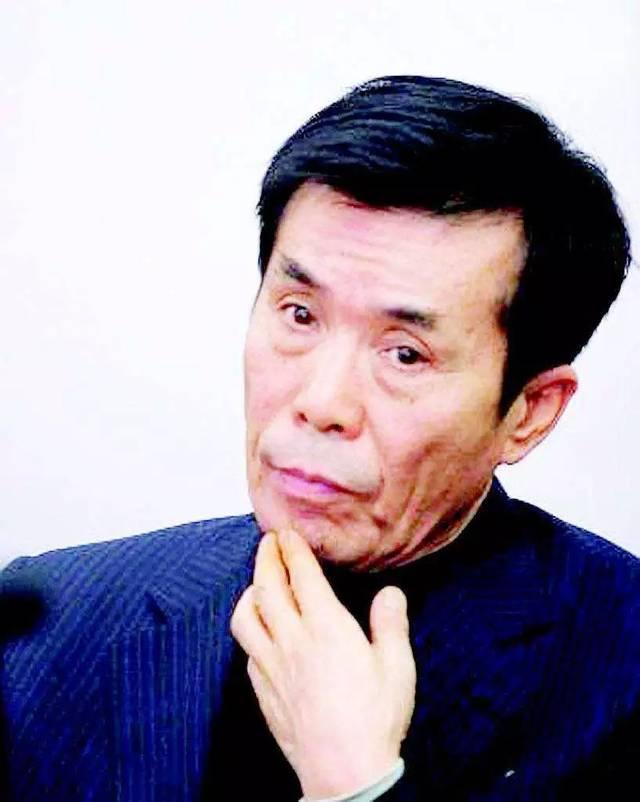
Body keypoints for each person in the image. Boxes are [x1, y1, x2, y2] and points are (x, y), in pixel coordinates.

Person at [1, 75, 638, 802]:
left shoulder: (621, 671)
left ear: (528, 412)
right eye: (299, 314)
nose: (320, 402)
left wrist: (358, 786)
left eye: (405, 354)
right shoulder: (50, 628)